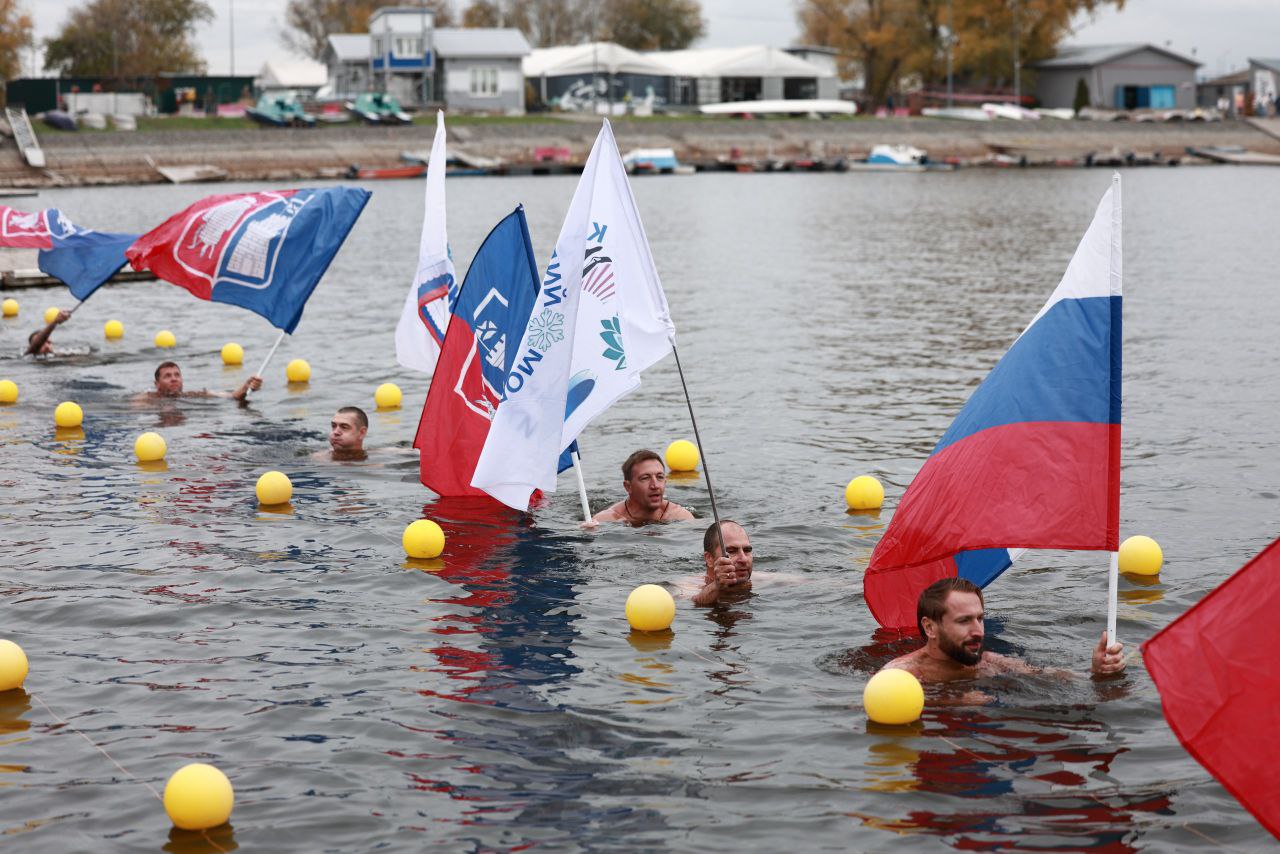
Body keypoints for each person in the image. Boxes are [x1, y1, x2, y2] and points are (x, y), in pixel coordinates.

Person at [881, 577, 1125, 682]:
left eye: (980, 618)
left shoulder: (987, 661)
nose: (978, 631)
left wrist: (1098, 672)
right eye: (964, 621)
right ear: (930, 627)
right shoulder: (901, 674)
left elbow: (1051, 677)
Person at [590, 449, 695, 526]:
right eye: (645, 478)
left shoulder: (681, 517)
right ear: (628, 487)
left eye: (660, 477)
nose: (655, 485)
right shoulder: (606, 520)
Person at [693, 520, 753, 606]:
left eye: (747, 550)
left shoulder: (764, 580)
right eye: (732, 551)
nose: (743, 559)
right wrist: (716, 586)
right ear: (709, 559)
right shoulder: (688, 587)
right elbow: (690, 602)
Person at [136, 361, 261, 402]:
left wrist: (247, 387)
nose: (174, 378)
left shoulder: (193, 395)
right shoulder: (147, 398)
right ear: (156, 384)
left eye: (177, 375)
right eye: (167, 376)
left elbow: (232, 396)